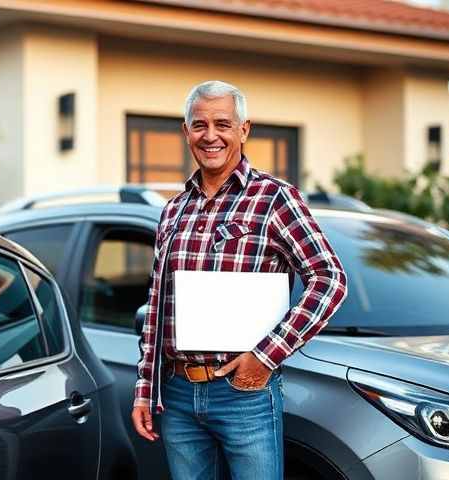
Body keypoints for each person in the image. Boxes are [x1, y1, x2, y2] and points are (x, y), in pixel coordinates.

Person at [131, 80, 348, 479]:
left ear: (243, 130)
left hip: (243, 393)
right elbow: (159, 301)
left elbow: (329, 278)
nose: (210, 136)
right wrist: (146, 389)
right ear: (185, 132)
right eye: (199, 125)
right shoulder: (173, 210)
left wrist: (265, 357)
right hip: (177, 394)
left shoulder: (274, 199)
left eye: (222, 124)